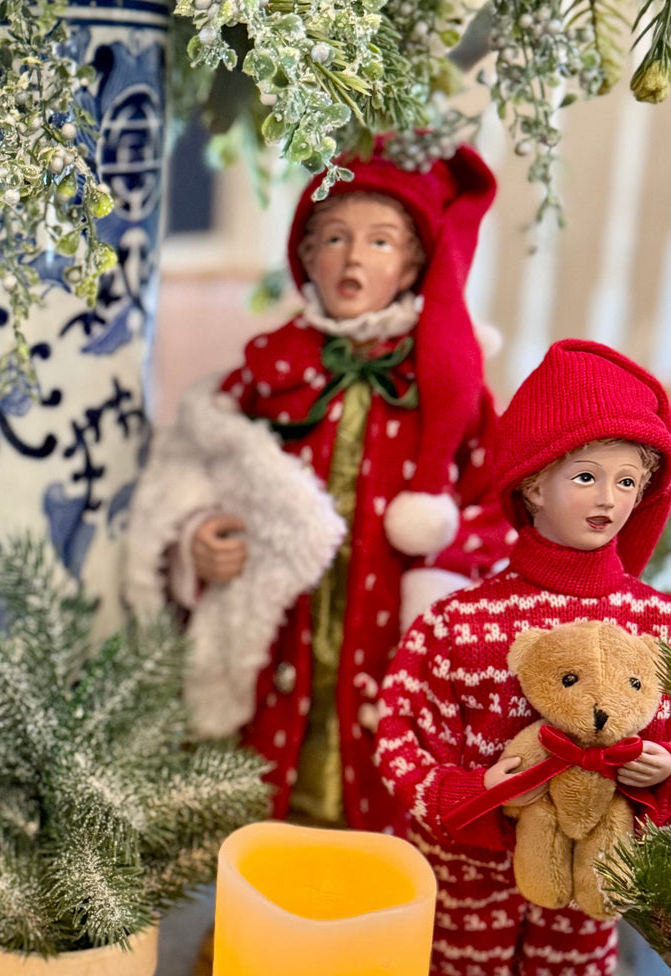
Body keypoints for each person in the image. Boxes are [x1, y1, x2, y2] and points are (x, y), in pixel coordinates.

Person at [126, 138, 511, 832]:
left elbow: (496, 502)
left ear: (415, 261)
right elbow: (195, 464)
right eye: (334, 237)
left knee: (382, 779)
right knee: (266, 780)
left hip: (391, 628)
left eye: (380, 241)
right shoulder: (272, 364)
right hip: (284, 628)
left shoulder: (450, 383)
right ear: (305, 258)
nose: (354, 257)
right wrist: (196, 538)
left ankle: (362, 927)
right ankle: (251, 918)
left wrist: (447, 586)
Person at [374, 339, 671, 976]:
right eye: (585, 475)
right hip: (462, 892)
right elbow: (398, 734)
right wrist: (464, 794)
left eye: (627, 482)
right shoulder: (456, 623)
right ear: (532, 484)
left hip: (593, 892)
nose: (608, 500)